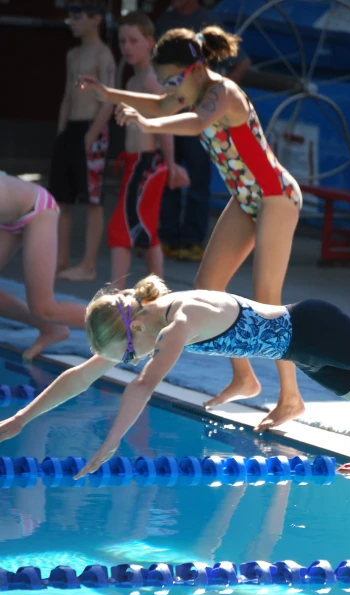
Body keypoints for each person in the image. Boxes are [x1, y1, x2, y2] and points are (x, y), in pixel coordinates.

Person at [0, 274, 350, 512]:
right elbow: (85, 374)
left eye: (129, 351)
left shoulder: (180, 319)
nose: (133, 359)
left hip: (315, 329)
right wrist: (21, 419)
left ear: (134, 330)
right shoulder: (151, 323)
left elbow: (143, 383)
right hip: (303, 351)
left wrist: (110, 444)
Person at [77, 24, 304, 431]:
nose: (170, 90)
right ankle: (244, 376)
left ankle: (290, 398)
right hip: (246, 198)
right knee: (207, 286)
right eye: (166, 82)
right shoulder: (192, 91)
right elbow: (161, 105)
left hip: (276, 196)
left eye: (172, 80)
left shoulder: (222, 93)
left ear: (196, 68)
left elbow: (195, 124)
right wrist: (110, 95)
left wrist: (146, 125)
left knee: (267, 297)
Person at [155, 0, 252, 262]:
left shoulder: (209, 21)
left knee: (197, 177)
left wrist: (219, 94)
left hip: (200, 116)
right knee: (169, 171)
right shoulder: (165, 20)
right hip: (175, 107)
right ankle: (166, 236)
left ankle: (191, 240)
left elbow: (242, 62)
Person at [108, 11, 189, 288]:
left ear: (150, 42)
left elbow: (163, 125)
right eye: (122, 42)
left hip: (147, 163)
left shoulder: (150, 80)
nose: (127, 47)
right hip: (138, 163)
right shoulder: (133, 80)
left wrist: (171, 163)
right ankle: (160, 293)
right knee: (147, 231)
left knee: (120, 230)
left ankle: (115, 296)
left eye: (133, 41)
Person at [49, 1, 116, 282]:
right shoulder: (72, 54)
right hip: (71, 130)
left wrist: (91, 135)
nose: (71, 22)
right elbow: (67, 94)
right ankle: (60, 261)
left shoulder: (104, 56)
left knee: (92, 200)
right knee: (61, 200)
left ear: (95, 19)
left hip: (92, 129)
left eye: (77, 16)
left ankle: (88, 265)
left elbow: (109, 101)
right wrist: (62, 133)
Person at [0, 173, 86, 360]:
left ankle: (127, 327)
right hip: (7, 218)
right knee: (44, 313)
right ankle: (51, 329)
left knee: (45, 308)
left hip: (37, 211)